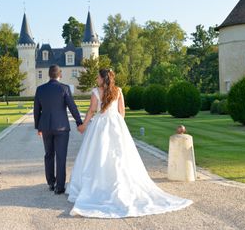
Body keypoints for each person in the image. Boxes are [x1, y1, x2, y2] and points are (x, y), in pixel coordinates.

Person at [66, 69, 193, 218]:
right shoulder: (118, 90)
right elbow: (122, 112)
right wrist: (119, 124)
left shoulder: (96, 92)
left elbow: (92, 111)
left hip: (100, 125)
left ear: (102, 78)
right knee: (120, 155)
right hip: (116, 123)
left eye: (98, 77)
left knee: (98, 154)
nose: (96, 79)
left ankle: (98, 184)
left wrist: (84, 125)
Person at [34, 64, 83, 195]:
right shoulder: (64, 88)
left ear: (49, 75)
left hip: (46, 128)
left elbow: (36, 110)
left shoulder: (40, 89)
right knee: (61, 157)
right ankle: (59, 187)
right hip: (61, 128)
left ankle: (51, 182)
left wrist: (38, 127)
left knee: (48, 155)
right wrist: (79, 122)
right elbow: (72, 107)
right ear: (60, 75)